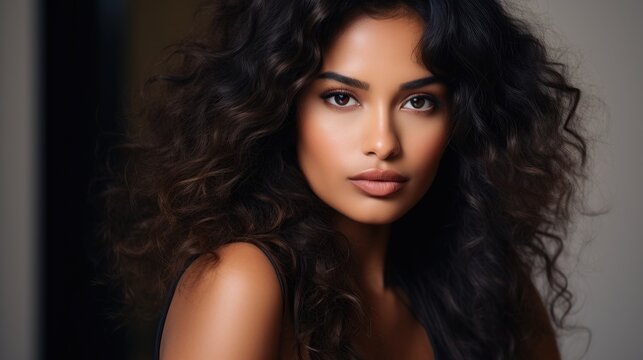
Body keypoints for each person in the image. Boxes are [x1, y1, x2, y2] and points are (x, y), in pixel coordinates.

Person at [102, 0, 588, 359]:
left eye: (419, 102)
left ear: (461, 120)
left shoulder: (489, 278)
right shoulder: (243, 282)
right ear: (281, 108)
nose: (383, 142)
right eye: (341, 98)